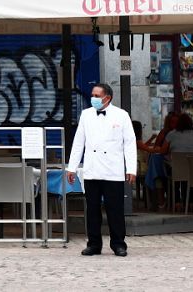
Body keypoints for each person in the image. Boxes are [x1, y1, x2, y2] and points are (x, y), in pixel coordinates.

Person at [66, 82, 138, 257]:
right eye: (93, 95)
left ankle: (119, 244)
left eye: (97, 96)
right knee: (92, 209)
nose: (93, 98)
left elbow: (129, 143)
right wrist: (72, 167)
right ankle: (94, 244)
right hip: (92, 168)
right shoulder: (86, 115)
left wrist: (131, 168)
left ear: (108, 98)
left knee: (115, 209)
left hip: (113, 169)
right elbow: (78, 142)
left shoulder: (121, 115)